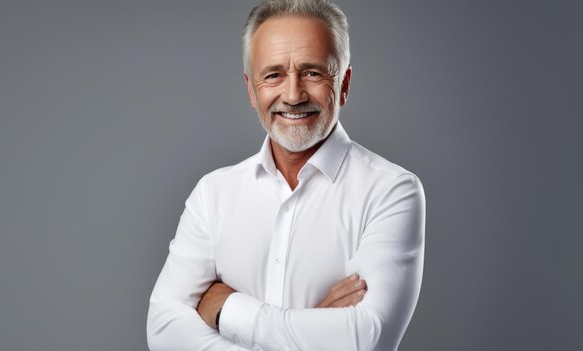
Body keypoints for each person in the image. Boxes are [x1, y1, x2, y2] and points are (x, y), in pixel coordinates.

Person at [146, 0, 425, 350]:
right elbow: (163, 330)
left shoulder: (391, 191)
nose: (293, 95)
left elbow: (366, 338)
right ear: (251, 89)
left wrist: (226, 308)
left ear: (344, 84)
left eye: (312, 72)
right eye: (274, 75)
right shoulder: (212, 194)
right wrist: (314, 329)